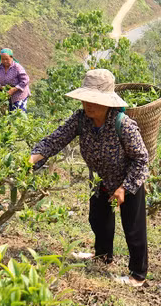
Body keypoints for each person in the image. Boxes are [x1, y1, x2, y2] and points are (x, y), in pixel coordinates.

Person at [29, 69, 150, 288]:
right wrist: (30, 160)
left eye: (94, 100)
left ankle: (137, 275)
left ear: (108, 102)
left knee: (133, 227)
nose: (88, 105)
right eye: (86, 100)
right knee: (98, 219)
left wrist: (125, 188)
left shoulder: (124, 125)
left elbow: (141, 160)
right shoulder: (81, 120)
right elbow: (55, 140)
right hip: (100, 179)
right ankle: (103, 257)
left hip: (128, 180)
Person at [0, 48, 30, 113]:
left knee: (18, 116)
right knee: (9, 117)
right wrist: (0, 87)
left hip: (19, 95)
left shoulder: (17, 67)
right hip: (7, 96)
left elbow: (25, 80)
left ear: (11, 58)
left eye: (7, 59)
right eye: (3, 59)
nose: (5, 61)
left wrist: (14, 89)